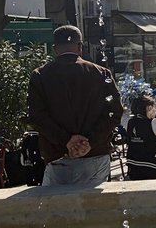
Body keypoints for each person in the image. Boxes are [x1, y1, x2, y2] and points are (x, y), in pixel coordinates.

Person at [28, 25, 124, 187]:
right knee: (95, 209)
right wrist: (90, 142)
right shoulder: (101, 73)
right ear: (80, 47)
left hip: (58, 156)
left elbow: (37, 117)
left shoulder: (40, 75)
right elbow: (114, 113)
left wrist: (67, 141)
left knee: (59, 209)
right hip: (96, 155)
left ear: (55, 49)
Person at [125, 96, 156, 180]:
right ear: (149, 108)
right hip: (151, 167)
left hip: (133, 166)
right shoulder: (154, 123)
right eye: (155, 108)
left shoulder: (130, 122)